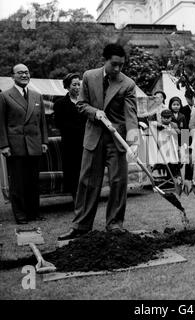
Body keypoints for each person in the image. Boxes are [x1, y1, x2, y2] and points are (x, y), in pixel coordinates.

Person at [58, 43, 139, 240]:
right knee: (87, 183)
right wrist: (95, 113)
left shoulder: (127, 84)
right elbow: (81, 105)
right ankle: (81, 226)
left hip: (116, 139)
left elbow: (131, 116)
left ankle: (115, 225)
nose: (118, 69)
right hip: (94, 137)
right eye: (114, 64)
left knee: (118, 182)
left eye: (121, 65)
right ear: (105, 60)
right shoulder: (89, 76)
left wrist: (133, 142)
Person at [0, 64, 48, 224]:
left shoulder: (37, 95)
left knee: (33, 182)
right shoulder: (5, 96)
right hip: (16, 146)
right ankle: (20, 215)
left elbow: (42, 122)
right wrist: (4, 145)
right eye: (20, 73)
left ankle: (34, 213)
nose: (24, 75)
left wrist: (44, 141)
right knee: (18, 183)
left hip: (34, 144)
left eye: (26, 72)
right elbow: (1, 124)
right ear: (12, 76)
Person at [53, 73, 86, 202]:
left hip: (85, 143)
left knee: (85, 172)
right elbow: (59, 124)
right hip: (70, 144)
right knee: (73, 173)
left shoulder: (85, 103)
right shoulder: (60, 104)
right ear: (67, 86)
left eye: (79, 84)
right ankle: (76, 199)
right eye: (74, 84)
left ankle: (86, 199)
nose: (77, 87)